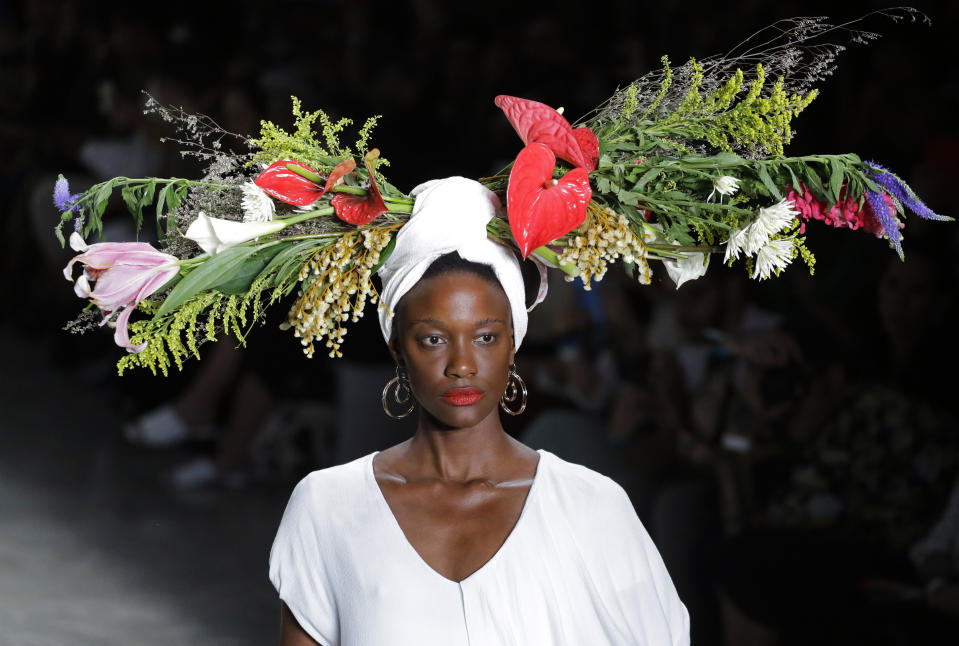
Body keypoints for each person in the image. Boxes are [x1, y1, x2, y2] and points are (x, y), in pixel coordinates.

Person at [268, 177, 690, 645]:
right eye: (433, 339)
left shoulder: (592, 506)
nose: (462, 365)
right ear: (397, 349)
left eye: (486, 336)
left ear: (514, 344)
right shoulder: (328, 506)